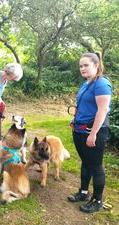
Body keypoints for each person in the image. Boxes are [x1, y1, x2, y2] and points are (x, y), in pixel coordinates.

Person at [68, 52, 112, 213]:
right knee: (86, 162)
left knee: (95, 165)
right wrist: (75, 119)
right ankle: (83, 192)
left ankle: (97, 200)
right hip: (80, 129)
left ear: (96, 66)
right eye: (80, 66)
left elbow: (103, 110)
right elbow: (83, 106)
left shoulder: (101, 84)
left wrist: (93, 134)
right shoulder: (86, 83)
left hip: (94, 131)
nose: (82, 68)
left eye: (86, 65)